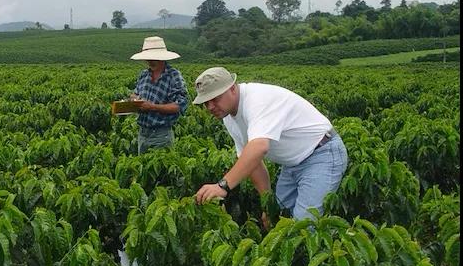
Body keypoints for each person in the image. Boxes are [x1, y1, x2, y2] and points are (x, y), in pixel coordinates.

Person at [193, 67, 348, 222]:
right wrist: (267, 205)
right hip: (291, 164)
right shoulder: (228, 117)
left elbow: (260, 147)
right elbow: (253, 163)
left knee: (304, 225)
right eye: (206, 103)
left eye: (215, 99)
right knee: (278, 216)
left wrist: (222, 186)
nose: (211, 107)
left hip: (322, 154)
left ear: (232, 88)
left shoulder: (256, 100)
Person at [129, 36, 188, 155]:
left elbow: (180, 106)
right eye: (148, 58)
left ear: (162, 58)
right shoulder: (144, 75)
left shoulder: (173, 76)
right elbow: (135, 93)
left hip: (161, 135)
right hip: (143, 133)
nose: (150, 61)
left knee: (161, 170)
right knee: (144, 170)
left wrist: (152, 107)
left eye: (153, 58)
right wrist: (134, 100)